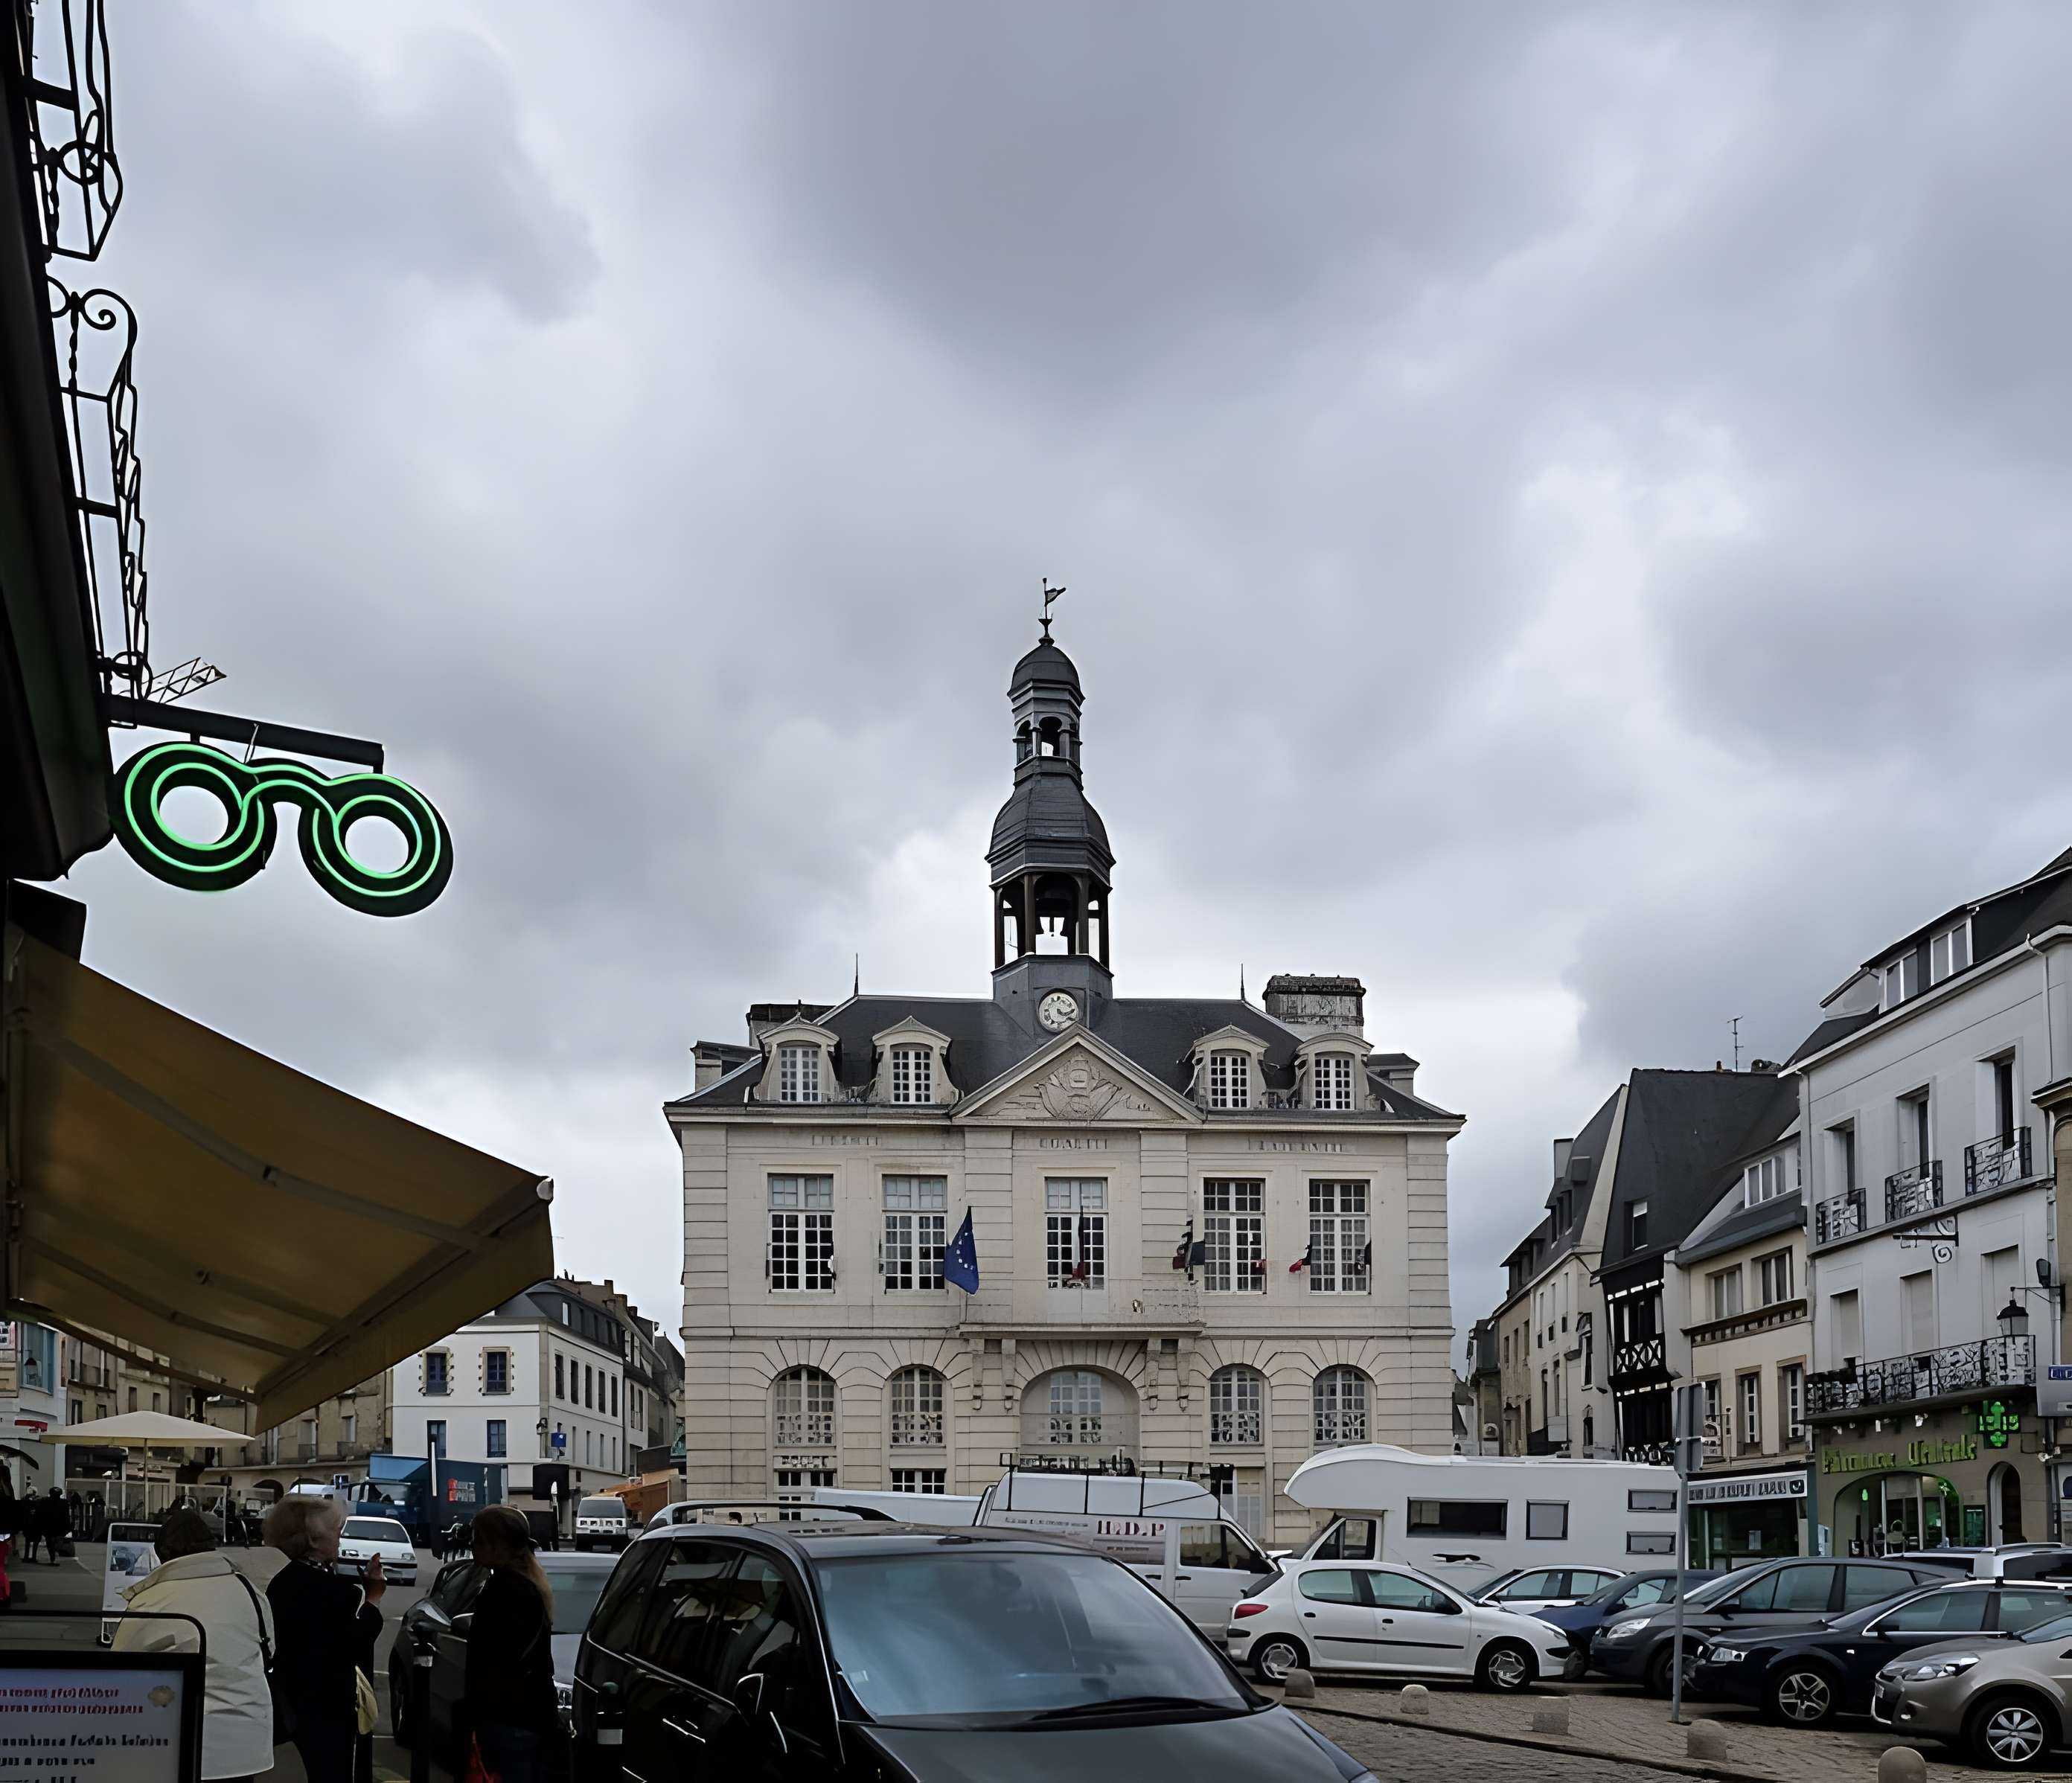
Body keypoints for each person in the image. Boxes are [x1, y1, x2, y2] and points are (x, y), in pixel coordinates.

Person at [112, 1508, 274, 1783]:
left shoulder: (152, 1600)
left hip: (180, 1741)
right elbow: (268, 1650)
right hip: (248, 1740)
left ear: (163, 1554)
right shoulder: (249, 1590)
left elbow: (120, 1666)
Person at [265, 1497, 381, 1783]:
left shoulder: (281, 1582)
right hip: (329, 1707)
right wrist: (373, 1599)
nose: (340, 1536)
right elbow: (355, 1643)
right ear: (314, 1539)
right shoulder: (334, 1591)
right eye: (335, 1529)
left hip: (291, 1703)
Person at [461, 1505, 558, 1783]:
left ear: (497, 1546)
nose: (472, 1546)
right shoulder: (530, 1585)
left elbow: (493, 1660)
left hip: (507, 1719)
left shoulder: (503, 1590)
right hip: (529, 1716)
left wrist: (474, 1714)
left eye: (477, 1539)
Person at [37, 1488, 68, 1563]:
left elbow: (40, 1514)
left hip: (48, 1525)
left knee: (49, 1541)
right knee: (55, 1541)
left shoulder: (45, 1501)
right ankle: (53, 1556)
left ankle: (52, 1557)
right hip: (58, 1525)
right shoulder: (64, 1503)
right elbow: (66, 1516)